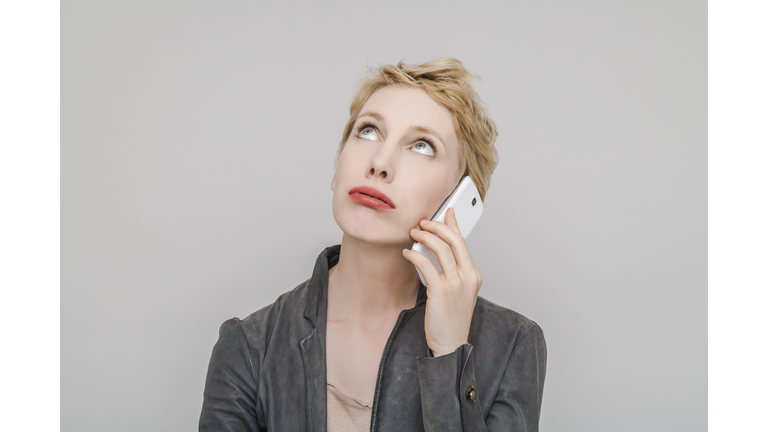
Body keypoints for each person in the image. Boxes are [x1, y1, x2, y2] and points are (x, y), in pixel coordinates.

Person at [199, 58, 547, 432]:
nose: (379, 163)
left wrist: (450, 357)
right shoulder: (249, 346)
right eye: (368, 131)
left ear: (458, 202)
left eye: (422, 146)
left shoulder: (514, 346)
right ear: (338, 168)